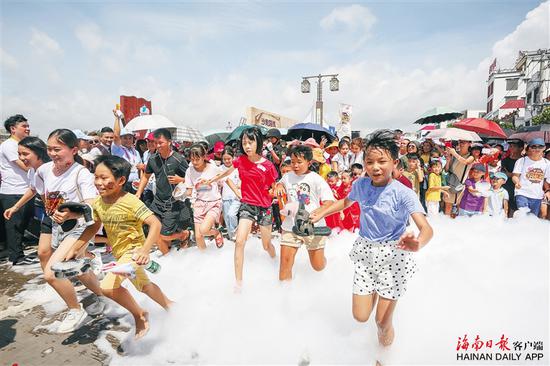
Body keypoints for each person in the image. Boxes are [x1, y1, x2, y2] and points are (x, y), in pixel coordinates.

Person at [310, 129, 433, 347]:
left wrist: (418, 243)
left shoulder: (403, 193)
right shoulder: (361, 185)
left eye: (382, 161)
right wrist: (322, 212)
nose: (375, 167)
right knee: (360, 316)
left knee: (382, 322)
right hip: (366, 252)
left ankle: (383, 357)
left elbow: (426, 228)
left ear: (394, 162)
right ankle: (377, 289)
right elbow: (346, 202)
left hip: (393, 255)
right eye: (370, 162)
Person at [64, 155, 173, 340]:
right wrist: (76, 248)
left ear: (121, 180)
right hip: (119, 253)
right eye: (96, 177)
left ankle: (140, 315)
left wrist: (145, 250)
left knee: (107, 287)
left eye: (104, 178)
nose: (98, 182)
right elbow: (93, 226)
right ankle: (171, 307)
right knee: (144, 287)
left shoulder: (131, 201)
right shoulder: (99, 202)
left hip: (133, 252)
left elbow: (155, 224)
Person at [34, 129, 105, 333]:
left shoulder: (81, 173)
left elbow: (91, 205)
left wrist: (71, 214)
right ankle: (102, 294)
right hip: (56, 226)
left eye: (57, 149)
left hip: (80, 227)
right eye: (49, 149)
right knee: (76, 268)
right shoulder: (44, 170)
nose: (52, 153)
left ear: (74, 150)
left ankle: (75, 309)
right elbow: (39, 192)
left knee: (52, 273)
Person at [205, 127, 277, 288]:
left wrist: (275, 192)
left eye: (250, 142)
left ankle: (274, 260)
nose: (247, 146)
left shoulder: (268, 165)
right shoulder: (241, 160)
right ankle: (238, 283)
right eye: (244, 143)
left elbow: (274, 186)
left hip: (264, 207)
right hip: (247, 205)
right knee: (239, 241)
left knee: (266, 245)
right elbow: (227, 173)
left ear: (258, 142)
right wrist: (210, 181)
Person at [274, 145, 335, 281]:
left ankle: (327, 264)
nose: (295, 165)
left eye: (299, 162)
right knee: (285, 264)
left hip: (314, 227)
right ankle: (284, 295)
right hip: (291, 226)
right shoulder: (287, 177)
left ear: (309, 162)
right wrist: (279, 186)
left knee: (317, 266)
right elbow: (280, 183)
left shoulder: (316, 178)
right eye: (293, 161)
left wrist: (316, 213)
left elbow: (329, 201)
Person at [135, 128, 191, 254]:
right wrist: (139, 192)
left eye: (160, 142)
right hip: (157, 202)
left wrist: (180, 179)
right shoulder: (153, 159)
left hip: (172, 204)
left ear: (169, 142)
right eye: (155, 143)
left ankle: (184, 235)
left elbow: (191, 178)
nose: (157, 145)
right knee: (154, 234)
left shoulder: (178, 159)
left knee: (164, 235)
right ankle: (167, 260)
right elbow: (146, 175)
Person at [3, 136, 50, 265]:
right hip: (50, 215)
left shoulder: (50, 169)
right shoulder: (32, 171)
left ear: (38, 152)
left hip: (61, 214)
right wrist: (15, 207)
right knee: (44, 252)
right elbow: (33, 189)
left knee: (66, 250)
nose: (22, 158)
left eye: (25, 154)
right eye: (19, 154)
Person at [0, 114, 35, 265]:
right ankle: (16, 257)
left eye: (28, 126)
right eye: (24, 126)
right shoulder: (9, 146)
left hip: (25, 190)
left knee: (22, 224)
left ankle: (18, 253)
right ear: (13, 129)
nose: (27, 129)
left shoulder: (21, 145)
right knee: (14, 226)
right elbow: (25, 166)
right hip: (12, 191)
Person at [183, 144, 224, 249]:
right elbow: (189, 189)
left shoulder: (213, 168)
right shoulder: (189, 171)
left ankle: (215, 233)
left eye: (197, 159)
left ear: (204, 157)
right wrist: (180, 194)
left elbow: (222, 181)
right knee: (198, 236)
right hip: (199, 204)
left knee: (204, 230)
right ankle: (203, 259)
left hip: (213, 203)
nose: (195, 162)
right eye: (192, 159)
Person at [512, 138, 550, 217]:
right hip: (522, 193)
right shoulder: (522, 161)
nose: (537, 149)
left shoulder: (547, 163)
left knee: (532, 218)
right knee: (523, 215)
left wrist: (547, 191)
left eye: (540, 147)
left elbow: (546, 180)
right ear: (529, 148)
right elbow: (515, 176)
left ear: (544, 148)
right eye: (534, 147)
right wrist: (517, 182)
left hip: (537, 195)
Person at [111, 111, 142, 193]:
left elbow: (140, 168)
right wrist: (117, 118)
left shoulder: (136, 152)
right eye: (125, 138)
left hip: (136, 184)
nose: (128, 140)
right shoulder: (117, 149)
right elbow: (116, 135)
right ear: (120, 139)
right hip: (122, 184)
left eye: (130, 138)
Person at [443, 140, 475, 216]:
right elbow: (447, 169)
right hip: (450, 183)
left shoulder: (471, 156)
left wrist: (454, 153)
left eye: (464, 142)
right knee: (447, 206)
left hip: (460, 186)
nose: (461, 144)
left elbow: (465, 162)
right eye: (460, 142)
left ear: (469, 144)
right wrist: (448, 161)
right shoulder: (454, 154)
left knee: (458, 207)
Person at [220, 147, 241, 241]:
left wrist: (239, 186)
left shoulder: (237, 167)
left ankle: (236, 234)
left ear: (233, 157)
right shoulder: (220, 169)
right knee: (227, 219)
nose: (227, 161)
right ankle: (231, 238)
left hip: (236, 197)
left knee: (231, 215)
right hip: (225, 197)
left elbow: (241, 180)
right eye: (224, 159)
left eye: (229, 158)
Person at [501, 139, 524, 217]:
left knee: (516, 210)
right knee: (505, 207)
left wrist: (511, 174)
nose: (511, 148)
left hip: (518, 187)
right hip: (506, 186)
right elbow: (503, 173)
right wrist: (513, 174)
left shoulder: (524, 161)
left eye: (514, 146)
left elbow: (524, 175)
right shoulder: (504, 160)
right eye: (510, 146)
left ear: (521, 148)